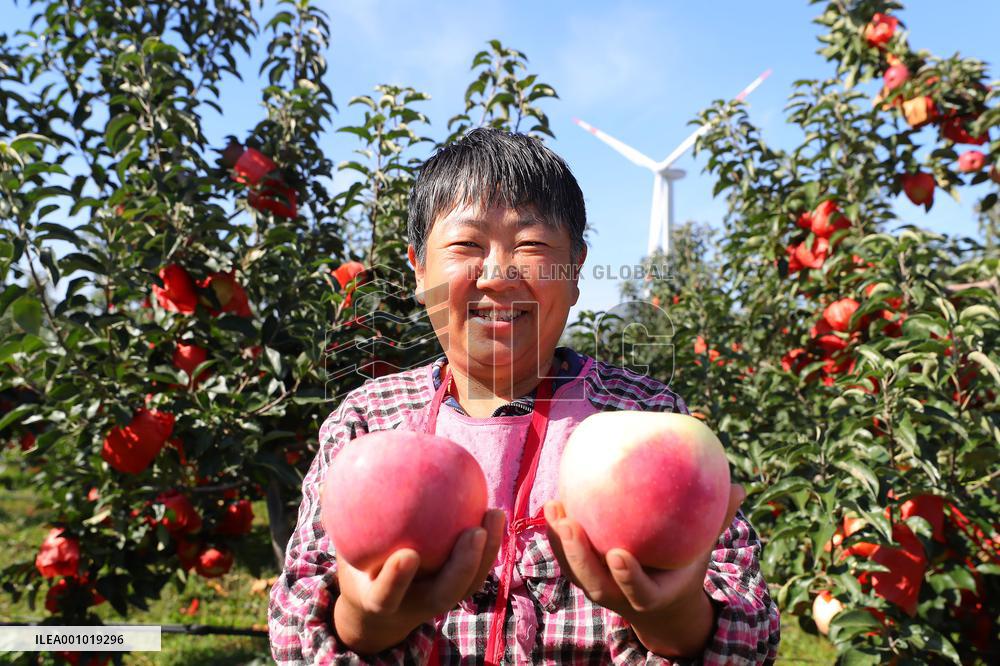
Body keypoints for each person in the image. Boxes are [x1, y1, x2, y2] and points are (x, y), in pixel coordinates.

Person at [268, 128, 781, 664]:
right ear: (419, 271)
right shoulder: (369, 421)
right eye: (466, 245)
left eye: (531, 246)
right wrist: (364, 623)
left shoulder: (644, 416)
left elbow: (751, 633)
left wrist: (670, 617)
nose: (498, 276)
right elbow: (294, 625)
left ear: (576, 270)